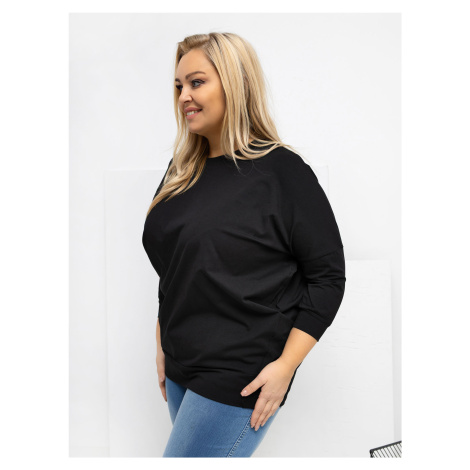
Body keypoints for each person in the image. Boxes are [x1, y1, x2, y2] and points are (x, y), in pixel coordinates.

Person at [141, 32, 346, 458]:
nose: (183, 96)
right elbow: (174, 265)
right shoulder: (182, 170)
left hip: (240, 375)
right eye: (178, 85)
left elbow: (328, 277)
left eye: (197, 82)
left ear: (234, 83)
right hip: (180, 367)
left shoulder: (282, 172)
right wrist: (162, 339)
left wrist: (286, 367)